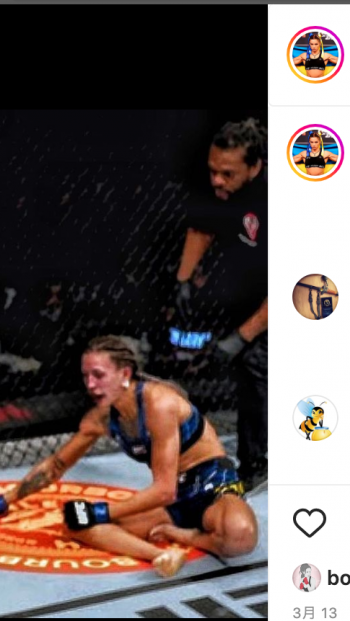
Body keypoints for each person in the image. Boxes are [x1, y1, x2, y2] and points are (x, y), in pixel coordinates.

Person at [0, 336, 258, 578]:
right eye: (86, 376)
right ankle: (161, 555)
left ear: (125, 374)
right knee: (76, 523)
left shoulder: (159, 403)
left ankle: (182, 535)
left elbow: (163, 489)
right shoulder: (101, 419)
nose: (90, 385)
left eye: (99, 375)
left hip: (212, 486)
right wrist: (2, 501)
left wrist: (103, 511)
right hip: (175, 500)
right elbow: (55, 466)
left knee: (240, 537)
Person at [172, 118, 268, 490]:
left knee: (255, 360)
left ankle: (259, 461)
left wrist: (242, 336)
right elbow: (202, 227)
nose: (217, 180)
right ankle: (252, 457)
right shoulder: (220, 187)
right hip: (250, 288)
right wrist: (183, 282)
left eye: (227, 174)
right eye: (213, 171)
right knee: (247, 368)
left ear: (255, 167)